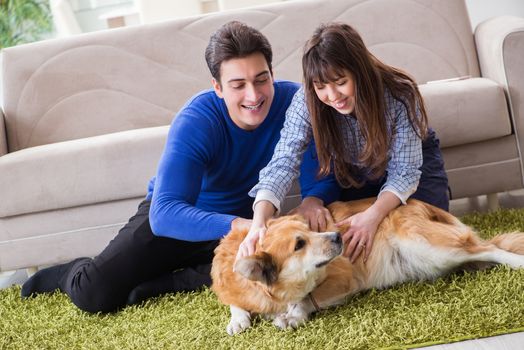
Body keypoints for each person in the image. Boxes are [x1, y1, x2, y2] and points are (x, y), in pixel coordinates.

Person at [21, 21, 300, 313]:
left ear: (272, 74)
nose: (254, 96)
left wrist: (314, 202)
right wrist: (241, 224)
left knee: (276, 273)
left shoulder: (294, 103)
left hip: (238, 229)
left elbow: (316, 170)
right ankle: (72, 271)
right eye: (238, 85)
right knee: (93, 294)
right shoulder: (198, 119)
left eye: (261, 79)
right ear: (217, 87)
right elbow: (165, 213)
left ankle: (169, 282)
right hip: (181, 220)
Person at [241, 22, 449, 264]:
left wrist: (372, 216)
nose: (332, 96)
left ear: (359, 70)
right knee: (355, 248)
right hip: (355, 170)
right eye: (321, 87)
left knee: (434, 232)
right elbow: (283, 161)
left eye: (340, 82)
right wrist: (258, 223)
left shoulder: (399, 93)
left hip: (413, 166)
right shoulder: (306, 101)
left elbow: (404, 172)